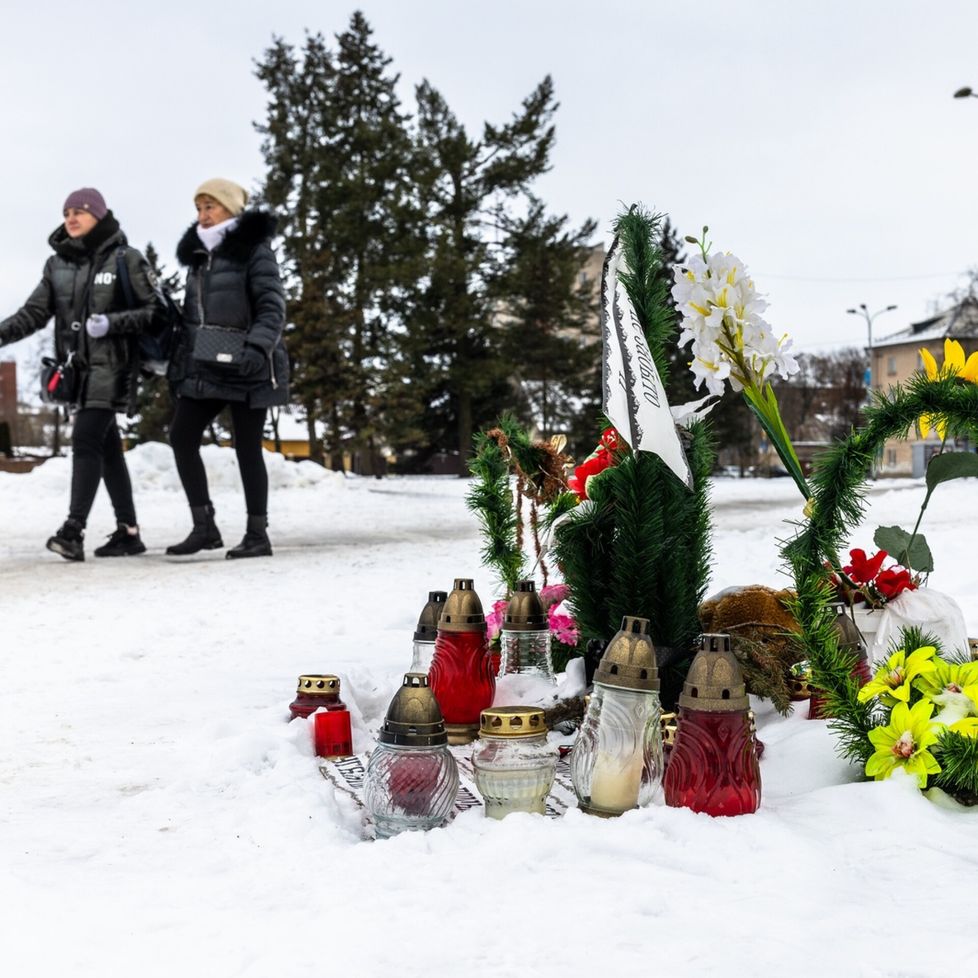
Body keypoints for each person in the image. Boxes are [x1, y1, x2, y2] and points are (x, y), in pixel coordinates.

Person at [0, 188, 162, 561]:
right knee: (108, 450)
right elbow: (33, 314)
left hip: (114, 365)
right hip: (76, 371)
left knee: (86, 438)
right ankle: (129, 532)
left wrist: (111, 323)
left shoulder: (126, 259)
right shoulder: (57, 265)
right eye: (67, 212)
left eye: (80, 211)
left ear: (99, 216)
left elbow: (156, 311)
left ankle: (73, 530)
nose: (71, 218)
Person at [166, 178, 288, 559]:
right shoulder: (199, 257)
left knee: (247, 447)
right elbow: (193, 318)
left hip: (250, 364)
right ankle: (204, 526)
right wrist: (180, 362)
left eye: (211, 206)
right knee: (182, 435)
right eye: (199, 208)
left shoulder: (254, 250)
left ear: (231, 209)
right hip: (207, 362)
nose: (203, 215)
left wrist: (258, 346)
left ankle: (257, 534)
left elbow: (272, 306)